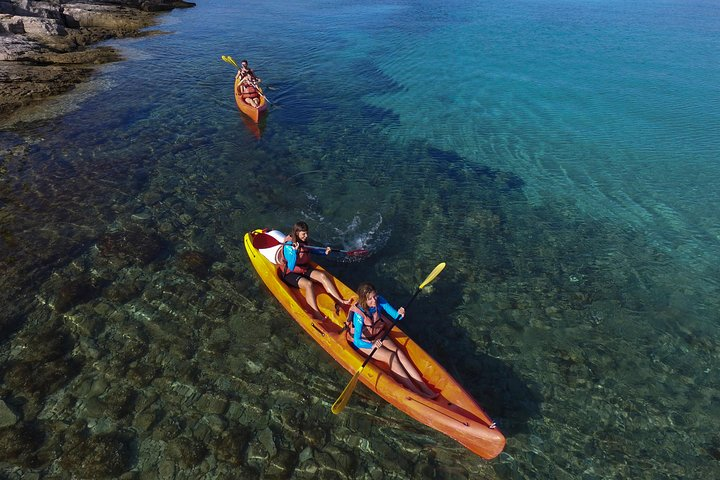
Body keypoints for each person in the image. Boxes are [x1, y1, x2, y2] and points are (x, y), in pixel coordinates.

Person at [346, 282, 438, 399]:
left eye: (375, 296)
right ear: (364, 300)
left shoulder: (380, 300)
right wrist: (372, 346)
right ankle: (417, 392)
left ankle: (424, 387)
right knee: (391, 356)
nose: (374, 301)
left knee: (398, 351)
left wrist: (400, 314)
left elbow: (396, 316)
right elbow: (356, 341)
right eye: (370, 299)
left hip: (378, 334)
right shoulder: (359, 315)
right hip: (365, 342)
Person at [279, 221, 352, 320]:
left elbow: (311, 250)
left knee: (322, 276)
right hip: (290, 273)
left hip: (303, 268)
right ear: (297, 233)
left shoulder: (303, 240)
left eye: (307, 233)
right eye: (303, 234)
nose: (306, 236)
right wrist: (295, 252)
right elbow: (291, 266)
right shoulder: (289, 246)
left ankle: (340, 300)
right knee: (308, 284)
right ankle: (316, 313)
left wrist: (324, 252)